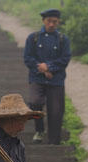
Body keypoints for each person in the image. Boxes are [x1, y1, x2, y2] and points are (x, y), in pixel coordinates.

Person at [24, 9, 71, 145]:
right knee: (35, 102)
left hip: (56, 80)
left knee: (56, 111)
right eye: (49, 21)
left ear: (58, 22)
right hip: (37, 78)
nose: (51, 24)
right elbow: (27, 58)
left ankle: (54, 141)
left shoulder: (63, 39)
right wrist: (43, 69)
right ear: (43, 21)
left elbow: (65, 59)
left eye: (54, 22)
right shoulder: (33, 38)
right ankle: (39, 130)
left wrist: (50, 67)